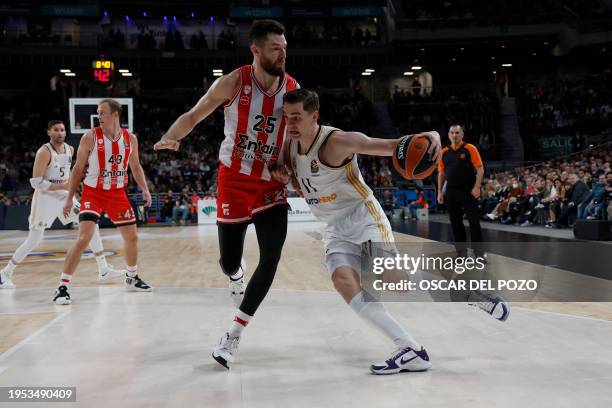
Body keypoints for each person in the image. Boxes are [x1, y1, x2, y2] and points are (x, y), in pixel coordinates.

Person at [272, 89, 509, 374]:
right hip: (335, 229)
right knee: (343, 282)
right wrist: (285, 181)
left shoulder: (338, 141)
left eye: (297, 117)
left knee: (393, 279)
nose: (291, 124)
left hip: (363, 216)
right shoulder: (287, 148)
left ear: (314, 115)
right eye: (287, 117)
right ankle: (411, 350)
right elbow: (305, 184)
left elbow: (392, 146)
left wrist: (431, 134)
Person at [153, 20, 298, 369]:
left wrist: (289, 168)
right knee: (229, 261)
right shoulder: (234, 82)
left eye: (285, 48)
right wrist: (173, 136)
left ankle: (233, 335)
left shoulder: (293, 89)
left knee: (272, 257)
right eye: (276, 48)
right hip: (233, 179)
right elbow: (194, 115)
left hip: (269, 184)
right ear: (257, 50)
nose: (283, 54)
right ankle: (235, 275)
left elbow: (298, 135)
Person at [0, 120, 123, 289]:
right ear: (49, 132)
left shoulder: (70, 149)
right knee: (34, 240)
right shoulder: (44, 152)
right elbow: (36, 182)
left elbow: (68, 175)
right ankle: (5, 273)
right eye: (56, 130)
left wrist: (70, 188)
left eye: (62, 130)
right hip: (45, 198)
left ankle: (103, 268)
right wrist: (62, 186)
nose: (60, 133)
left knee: (91, 223)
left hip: (64, 196)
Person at [53, 99, 153, 305]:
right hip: (93, 192)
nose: (99, 116)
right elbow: (78, 168)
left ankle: (132, 277)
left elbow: (135, 166)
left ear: (115, 114)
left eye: (103, 113)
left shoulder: (130, 138)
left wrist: (144, 188)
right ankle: (62, 287)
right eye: (98, 113)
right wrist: (70, 198)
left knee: (132, 237)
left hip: (118, 193)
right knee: (84, 238)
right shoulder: (90, 136)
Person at [437, 125, 484, 258]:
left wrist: (477, 187)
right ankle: (461, 254)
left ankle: (479, 255)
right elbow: (441, 173)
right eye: (452, 132)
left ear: (462, 134)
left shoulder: (470, 148)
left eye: (457, 132)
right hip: (451, 190)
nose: (455, 135)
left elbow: (480, 169)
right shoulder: (443, 152)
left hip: (468, 189)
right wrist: (440, 191)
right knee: (455, 222)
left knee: (474, 222)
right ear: (449, 134)